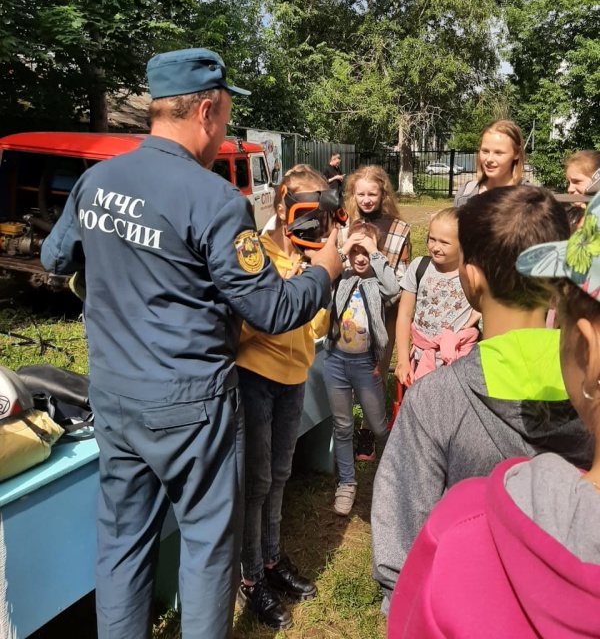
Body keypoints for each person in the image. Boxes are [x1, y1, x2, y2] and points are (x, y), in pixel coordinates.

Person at [40, 48, 343, 639]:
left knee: (123, 547)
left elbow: (56, 258)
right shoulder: (215, 201)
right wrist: (324, 271)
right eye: (226, 117)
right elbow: (272, 308)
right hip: (190, 408)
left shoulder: (96, 181)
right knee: (207, 550)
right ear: (205, 109)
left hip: (114, 397)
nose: (224, 131)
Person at [371, 186, 593, 616]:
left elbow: (400, 545)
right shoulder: (591, 397)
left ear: (470, 277)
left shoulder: (435, 400)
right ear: (556, 280)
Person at [236, 165, 331, 631]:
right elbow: (246, 322)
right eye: (305, 211)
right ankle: (250, 578)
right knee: (255, 483)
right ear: (282, 205)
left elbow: (315, 327)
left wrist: (314, 290)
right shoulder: (254, 252)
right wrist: (287, 287)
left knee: (279, 473)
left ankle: (271, 560)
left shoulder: (309, 256)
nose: (313, 225)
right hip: (255, 376)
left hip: (294, 376)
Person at [323, 220, 400, 516]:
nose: (359, 256)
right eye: (355, 250)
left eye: (364, 250)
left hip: (365, 364)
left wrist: (374, 254)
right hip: (336, 362)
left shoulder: (376, 282)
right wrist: (343, 248)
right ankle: (346, 483)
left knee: (379, 425)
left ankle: (396, 475)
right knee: (342, 426)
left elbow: (393, 290)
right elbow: (322, 274)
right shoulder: (340, 277)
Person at [342, 165, 411, 461]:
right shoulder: (344, 224)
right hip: (348, 311)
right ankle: (339, 431)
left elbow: (402, 278)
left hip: (384, 313)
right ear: (353, 194)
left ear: (383, 193)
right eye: (361, 194)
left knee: (375, 372)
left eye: (373, 193)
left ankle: (367, 430)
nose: (367, 200)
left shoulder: (399, 229)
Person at [394, 208, 480, 385]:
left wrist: (480, 311)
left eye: (444, 242)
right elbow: (404, 315)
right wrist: (403, 360)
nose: (435, 247)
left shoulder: (473, 273)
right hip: (420, 359)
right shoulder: (420, 267)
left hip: (458, 363)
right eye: (432, 239)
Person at [454, 119, 526, 207]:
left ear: (516, 153)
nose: (489, 159)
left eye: (498, 153)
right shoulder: (466, 194)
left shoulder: (530, 199)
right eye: (485, 151)